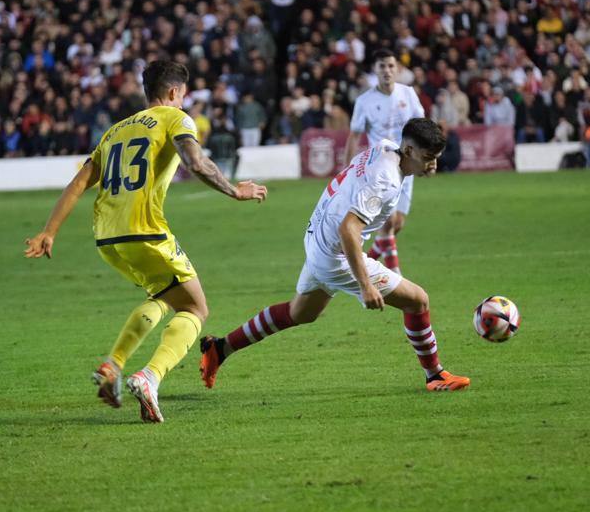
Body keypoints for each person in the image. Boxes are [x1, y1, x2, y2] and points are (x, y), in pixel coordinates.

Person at [24, 60, 267, 424]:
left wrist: (49, 231)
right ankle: (149, 377)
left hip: (108, 238)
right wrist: (235, 191)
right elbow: (196, 163)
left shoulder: (115, 131)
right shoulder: (175, 119)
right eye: (183, 95)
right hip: (146, 231)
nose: (184, 102)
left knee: (163, 296)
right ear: (173, 92)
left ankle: (113, 365)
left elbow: (77, 184)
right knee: (196, 309)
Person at [199, 118, 470, 394]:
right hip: (335, 253)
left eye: (436, 158)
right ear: (410, 151)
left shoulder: (386, 147)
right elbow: (349, 228)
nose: (433, 165)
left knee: (299, 313)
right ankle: (434, 374)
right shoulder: (385, 181)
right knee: (418, 301)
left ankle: (219, 348)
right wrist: (365, 285)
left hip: (317, 236)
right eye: (428, 158)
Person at [345, 49, 424, 275]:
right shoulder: (365, 101)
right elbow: (354, 135)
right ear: (375, 70)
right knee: (388, 223)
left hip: (407, 166)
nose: (387, 71)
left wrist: (427, 158)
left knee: (396, 224)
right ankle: (394, 276)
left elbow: (422, 125)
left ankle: (362, 264)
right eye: (382, 66)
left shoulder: (408, 94)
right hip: (380, 167)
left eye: (391, 66)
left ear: (397, 69)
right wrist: (348, 168)